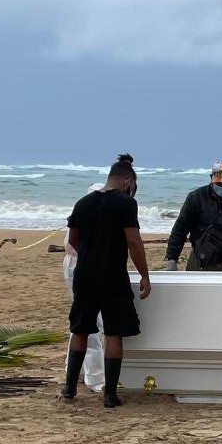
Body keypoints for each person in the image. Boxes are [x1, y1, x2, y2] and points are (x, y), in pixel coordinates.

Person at [61, 154, 150, 409]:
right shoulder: (125, 205)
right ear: (128, 182)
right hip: (112, 275)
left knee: (80, 329)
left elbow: (74, 241)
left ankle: (69, 388)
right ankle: (110, 395)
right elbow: (133, 241)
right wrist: (144, 274)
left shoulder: (83, 203)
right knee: (113, 333)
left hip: (85, 274)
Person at [61, 183, 106, 395]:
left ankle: (74, 370)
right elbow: (73, 245)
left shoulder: (86, 214)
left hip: (82, 268)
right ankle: (94, 377)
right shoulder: (85, 217)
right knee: (91, 324)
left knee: (80, 321)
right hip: (80, 268)